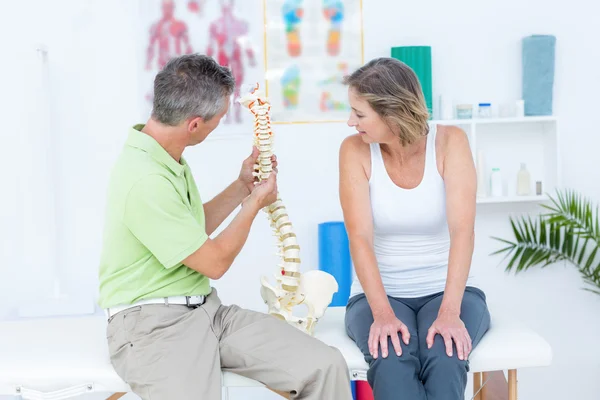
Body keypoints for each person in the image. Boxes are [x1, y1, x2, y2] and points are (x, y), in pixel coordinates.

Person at [98, 54, 352, 400]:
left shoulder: (164, 157)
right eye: (219, 117)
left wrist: (242, 186)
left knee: (324, 366)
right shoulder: (145, 178)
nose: (220, 122)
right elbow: (214, 263)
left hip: (207, 311)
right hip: (153, 326)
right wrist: (253, 205)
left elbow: (189, 232)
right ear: (195, 124)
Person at [339, 57, 491, 400]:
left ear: (391, 111)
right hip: (377, 294)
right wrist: (382, 314)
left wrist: (450, 313)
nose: (351, 122)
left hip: (451, 290)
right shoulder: (355, 151)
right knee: (390, 358)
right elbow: (359, 238)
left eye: (359, 114)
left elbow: (463, 232)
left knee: (445, 355)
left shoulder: (450, 142)